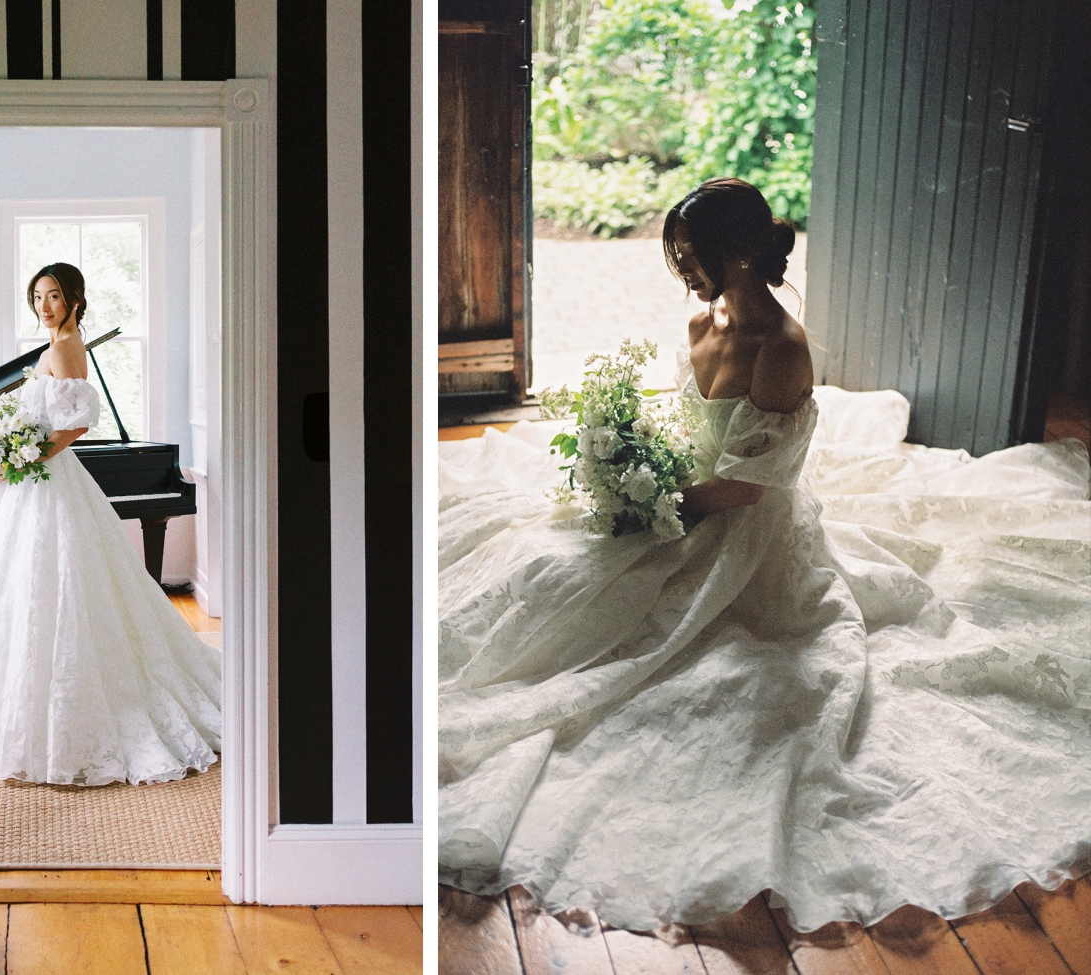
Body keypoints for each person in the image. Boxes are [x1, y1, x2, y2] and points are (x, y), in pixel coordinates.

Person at [438, 178, 1091, 932]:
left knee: (614, 617)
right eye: (676, 253)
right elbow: (686, 426)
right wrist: (634, 466)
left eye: (692, 253)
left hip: (739, 532)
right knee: (538, 563)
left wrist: (654, 507)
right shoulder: (700, 319)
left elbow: (747, 488)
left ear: (740, 253)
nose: (682, 267)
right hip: (686, 489)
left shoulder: (782, 350)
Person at [0, 262, 221, 787]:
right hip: (26, 483)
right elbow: (39, 420)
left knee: (55, 586)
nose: (44, 305)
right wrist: (3, 450)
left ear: (74, 299)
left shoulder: (65, 346)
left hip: (45, 482)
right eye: (37, 296)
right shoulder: (54, 345)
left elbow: (76, 423)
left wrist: (21, 461)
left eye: (53, 296)